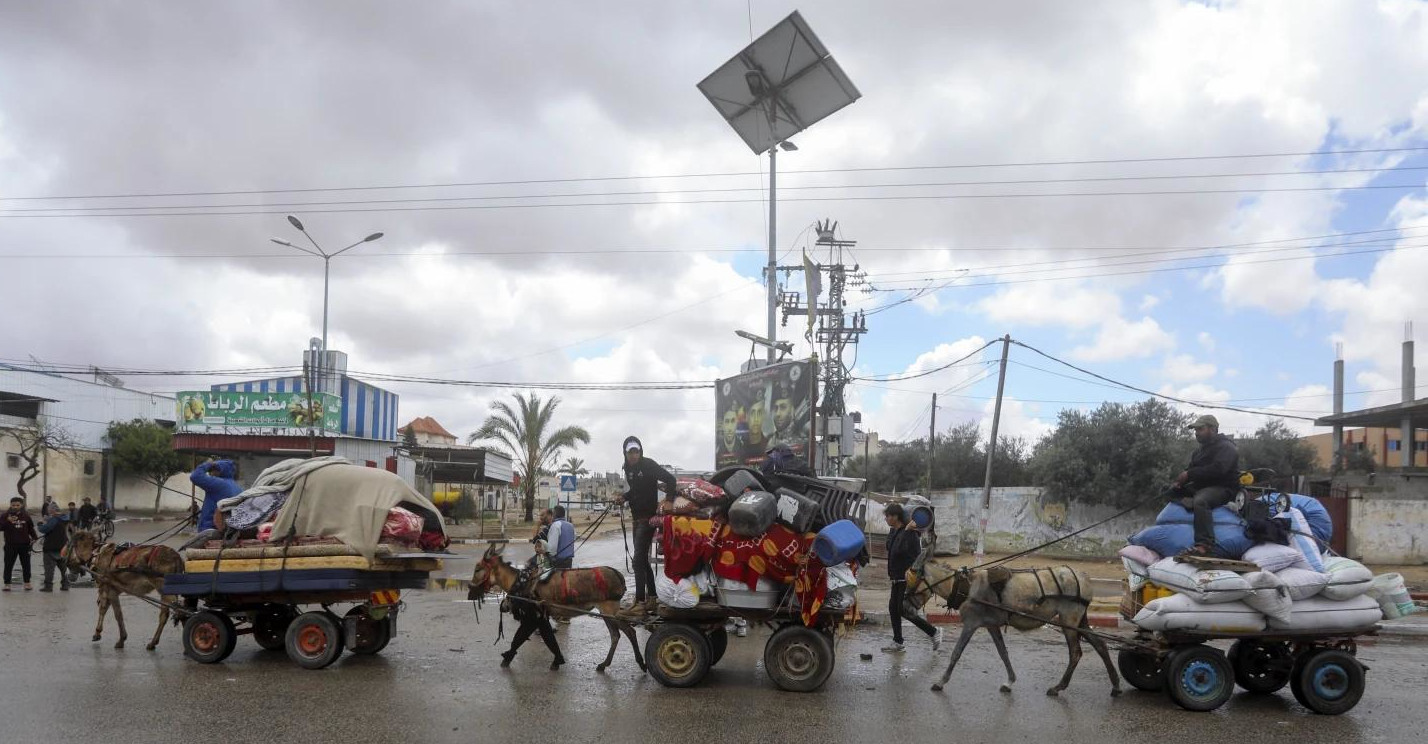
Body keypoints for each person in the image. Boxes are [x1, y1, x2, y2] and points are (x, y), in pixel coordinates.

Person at [617, 435, 676, 613]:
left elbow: (671, 479)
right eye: (630, 452)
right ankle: (652, 598)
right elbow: (636, 490)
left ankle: (640, 603)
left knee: (637, 562)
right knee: (643, 560)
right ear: (625, 453)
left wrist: (669, 500)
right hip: (636, 517)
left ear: (640, 451)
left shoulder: (649, 465)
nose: (633, 455)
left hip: (647, 518)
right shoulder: (628, 468)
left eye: (636, 451)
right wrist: (624, 497)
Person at [1172, 414, 1241, 557]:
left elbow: (1219, 470)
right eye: (1195, 430)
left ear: (1213, 429)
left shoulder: (1226, 447)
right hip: (1202, 487)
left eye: (1200, 429)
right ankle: (1190, 509)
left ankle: (1204, 544)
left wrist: (1189, 474)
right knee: (1169, 491)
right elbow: (1191, 469)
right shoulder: (1199, 451)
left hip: (1223, 488)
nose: (1196, 433)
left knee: (1201, 500)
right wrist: (1180, 481)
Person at [881, 503, 941, 653]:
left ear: (895, 517)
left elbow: (900, 550)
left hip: (906, 579)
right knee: (893, 609)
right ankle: (898, 641)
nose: (886, 519)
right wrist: (894, 530)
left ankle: (934, 632)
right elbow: (889, 547)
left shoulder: (911, 534)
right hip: (896, 578)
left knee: (904, 610)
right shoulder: (897, 531)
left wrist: (907, 531)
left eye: (887, 516)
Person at [2, 497, 38, 591]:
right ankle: (7, 584)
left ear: (21, 505)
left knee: (26, 565)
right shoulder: (5, 515)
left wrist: (35, 537)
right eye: (13, 505)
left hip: (25, 545)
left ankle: (27, 583)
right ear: (10, 505)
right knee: (8, 565)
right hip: (10, 545)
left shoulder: (26, 516)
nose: (15, 507)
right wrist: (8, 521)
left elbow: (30, 528)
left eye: (17, 505)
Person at [36, 508, 72, 592]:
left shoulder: (54, 520)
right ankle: (65, 585)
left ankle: (48, 586)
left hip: (51, 547)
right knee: (64, 568)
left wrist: (40, 524)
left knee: (49, 569)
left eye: (50, 511)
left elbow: (44, 529)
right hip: (63, 547)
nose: (50, 513)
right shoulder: (66, 520)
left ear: (53, 511)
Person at [546, 505, 576, 570]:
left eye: (553, 513)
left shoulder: (555, 525)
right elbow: (574, 539)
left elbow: (552, 547)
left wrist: (550, 557)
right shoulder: (571, 525)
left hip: (558, 560)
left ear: (555, 514)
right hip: (569, 560)